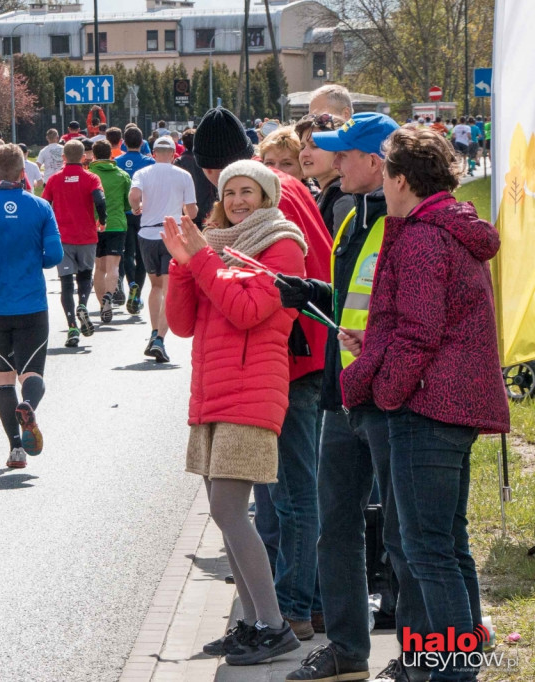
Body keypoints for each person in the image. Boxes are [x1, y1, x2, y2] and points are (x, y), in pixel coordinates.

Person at [340, 126, 510, 682]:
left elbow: (419, 333)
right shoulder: (448, 228)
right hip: (450, 404)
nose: (382, 184)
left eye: (386, 173)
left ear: (402, 180)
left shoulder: (419, 236)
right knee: (449, 544)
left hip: (426, 408)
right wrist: (376, 346)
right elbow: (429, 322)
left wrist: (387, 390)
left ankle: (454, 673)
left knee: (427, 550)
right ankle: (460, 663)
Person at [275, 113, 431, 682]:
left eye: (344, 155)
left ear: (376, 162)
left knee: (401, 534)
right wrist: (309, 291)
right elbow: (351, 297)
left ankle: (416, 659)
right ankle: (347, 652)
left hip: (390, 399)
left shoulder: (407, 221)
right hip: (343, 396)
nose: (335, 163)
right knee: (334, 527)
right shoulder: (349, 213)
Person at [193, 105, 334, 644]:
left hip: (292, 357)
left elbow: (264, 297)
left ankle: (289, 612)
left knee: (290, 494)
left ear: (216, 171)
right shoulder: (277, 189)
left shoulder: (264, 203)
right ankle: (291, 607)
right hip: (297, 352)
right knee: (280, 496)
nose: (224, 197)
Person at [163, 160, 307, 666]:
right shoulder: (216, 243)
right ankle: (252, 624)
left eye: (249, 191)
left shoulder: (283, 246)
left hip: (251, 394)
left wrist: (201, 258)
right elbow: (180, 325)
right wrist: (182, 262)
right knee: (224, 517)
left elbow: (247, 312)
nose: (238, 200)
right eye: (230, 192)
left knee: (229, 510)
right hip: (211, 394)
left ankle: (274, 627)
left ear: (267, 197)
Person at [0, 143, 63, 468]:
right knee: (32, 372)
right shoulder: (40, 208)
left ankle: (15, 449)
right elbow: (55, 257)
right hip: (32, 303)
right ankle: (30, 405)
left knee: (3, 377)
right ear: (24, 173)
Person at [128, 135, 197, 363]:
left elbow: (134, 195)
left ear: (154, 154)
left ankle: (153, 331)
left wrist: (136, 207)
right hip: (172, 233)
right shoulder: (184, 175)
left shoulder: (143, 173)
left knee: (155, 286)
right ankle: (159, 339)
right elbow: (193, 211)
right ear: (174, 155)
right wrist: (185, 215)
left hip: (148, 233)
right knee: (170, 288)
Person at [41, 139, 107, 347]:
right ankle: (83, 306)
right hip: (87, 236)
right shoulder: (91, 178)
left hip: (62, 238)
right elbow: (100, 200)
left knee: (66, 283)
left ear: (63, 158)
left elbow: (44, 205)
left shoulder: (54, 180)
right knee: (85, 277)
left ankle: (72, 327)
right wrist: (102, 220)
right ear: (84, 157)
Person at [88, 140, 131, 324]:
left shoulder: (90, 175)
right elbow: (128, 203)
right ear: (111, 155)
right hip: (117, 224)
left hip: (95, 225)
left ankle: (101, 304)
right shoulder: (122, 175)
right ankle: (108, 296)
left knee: (99, 268)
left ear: (94, 156)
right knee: (113, 267)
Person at [296, 113, 354, 236]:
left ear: (339, 151)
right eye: (302, 147)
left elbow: (339, 254)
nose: (304, 153)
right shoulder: (325, 194)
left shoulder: (345, 200)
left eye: (315, 146)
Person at [117, 127, 155, 315]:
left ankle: (130, 282)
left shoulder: (116, 162)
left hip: (123, 213)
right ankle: (137, 293)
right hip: (143, 214)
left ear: (124, 142)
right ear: (142, 143)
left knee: (126, 253)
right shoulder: (149, 162)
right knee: (141, 256)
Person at [173, 128, 215, 230]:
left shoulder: (179, 161)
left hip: (185, 208)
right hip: (206, 207)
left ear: (183, 143)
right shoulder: (207, 160)